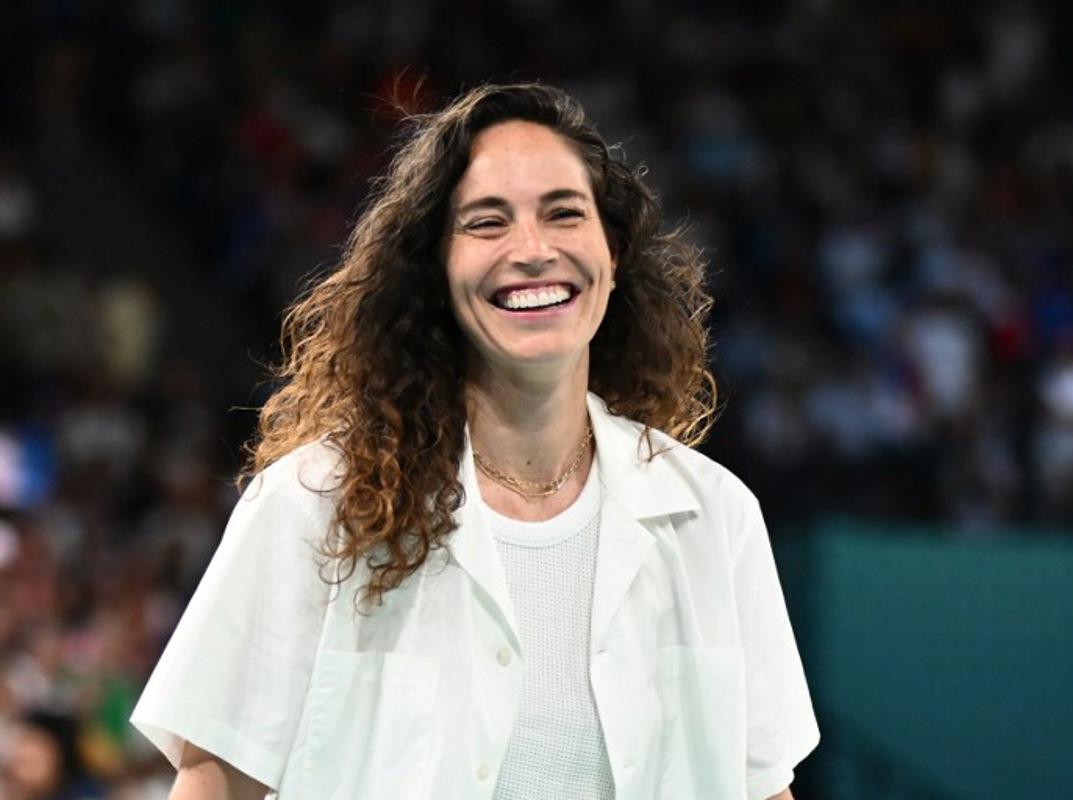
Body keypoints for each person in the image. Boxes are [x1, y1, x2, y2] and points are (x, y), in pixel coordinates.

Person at [129, 82, 819, 800]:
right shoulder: (313, 506)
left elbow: (763, 791)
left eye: (563, 213)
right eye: (487, 223)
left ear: (613, 254)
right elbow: (213, 786)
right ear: (435, 269)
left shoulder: (713, 517)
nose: (532, 250)